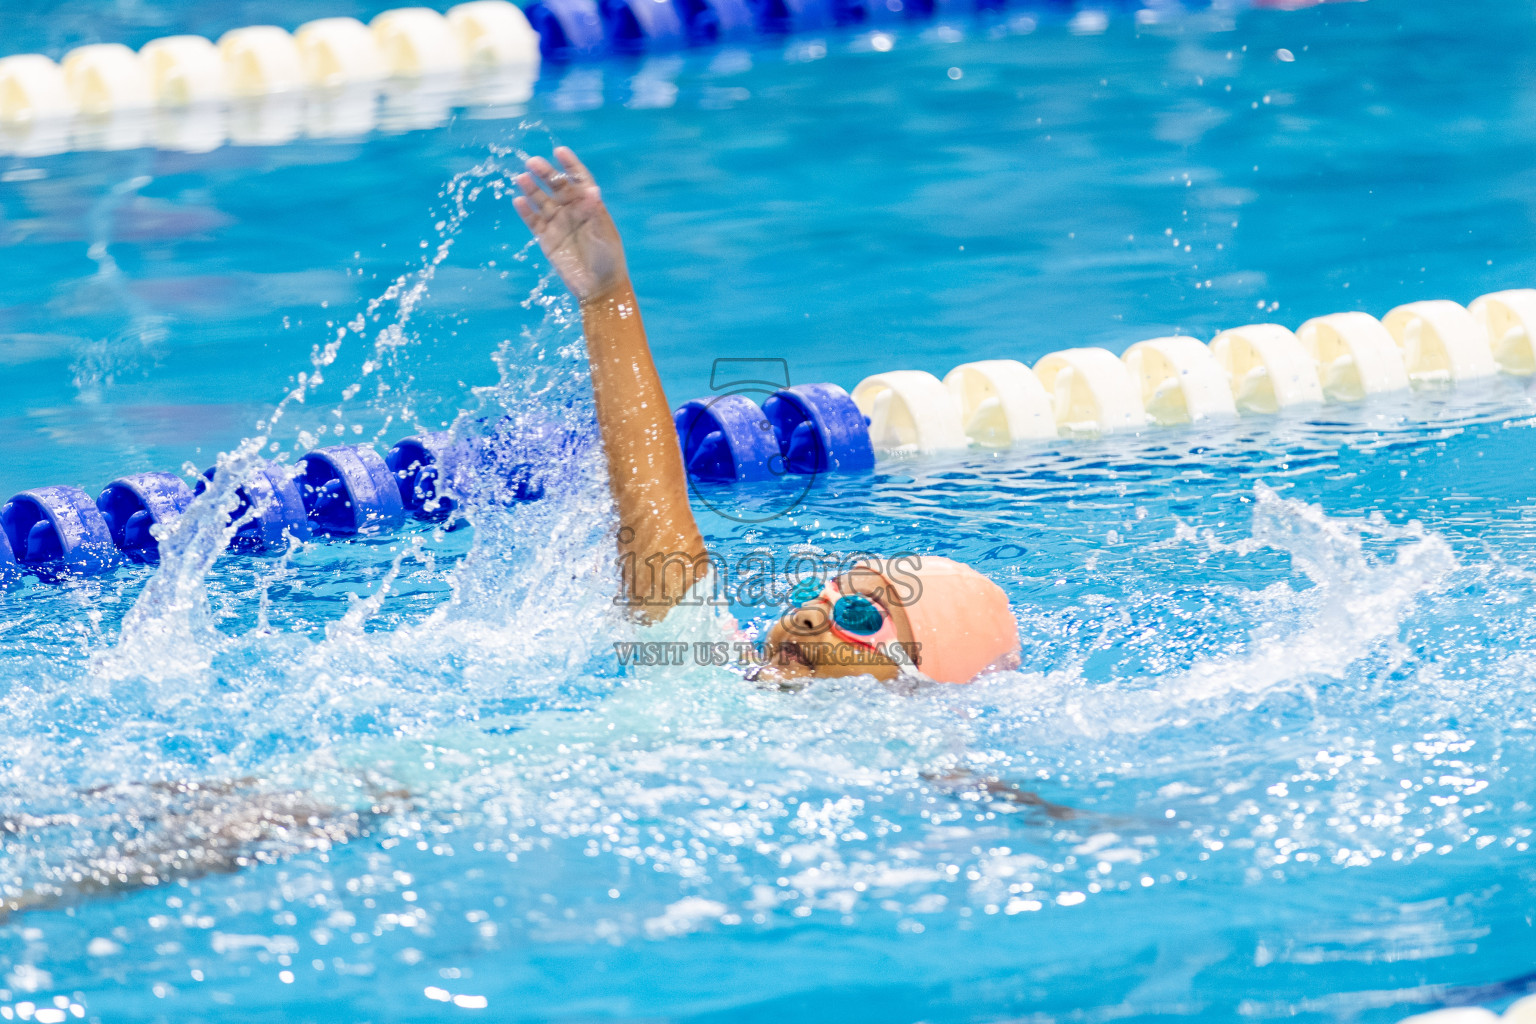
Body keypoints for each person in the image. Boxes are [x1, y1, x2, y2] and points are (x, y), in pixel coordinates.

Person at [512, 148, 1022, 686]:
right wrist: (605, 297)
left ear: (925, 676)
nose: (803, 617)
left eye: (859, 617)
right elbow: (651, 501)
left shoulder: (922, 757)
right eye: (820, 595)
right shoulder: (704, 676)